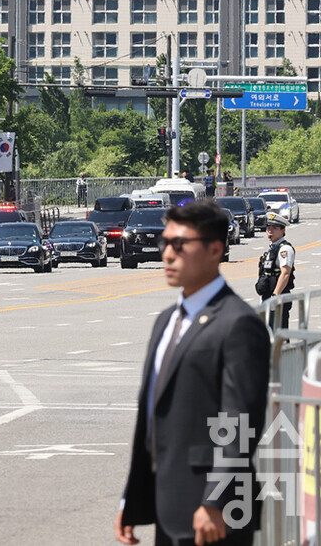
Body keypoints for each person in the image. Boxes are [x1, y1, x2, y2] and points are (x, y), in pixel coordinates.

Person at [115, 199, 270, 546]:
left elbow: (240, 421)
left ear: (215, 249)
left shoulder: (238, 323)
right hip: (170, 503)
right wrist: (133, 502)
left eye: (180, 245)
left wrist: (216, 501)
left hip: (216, 512)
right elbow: (152, 425)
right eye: (164, 243)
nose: (168, 254)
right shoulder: (166, 321)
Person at [258, 213, 295, 329]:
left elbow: (285, 273)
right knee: (268, 334)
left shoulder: (285, 249)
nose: (270, 231)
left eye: (274, 228)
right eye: (268, 228)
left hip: (278, 298)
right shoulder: (272, 249)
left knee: (279, 334)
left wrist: (276, 296)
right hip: (268, 297)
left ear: (283, 230)